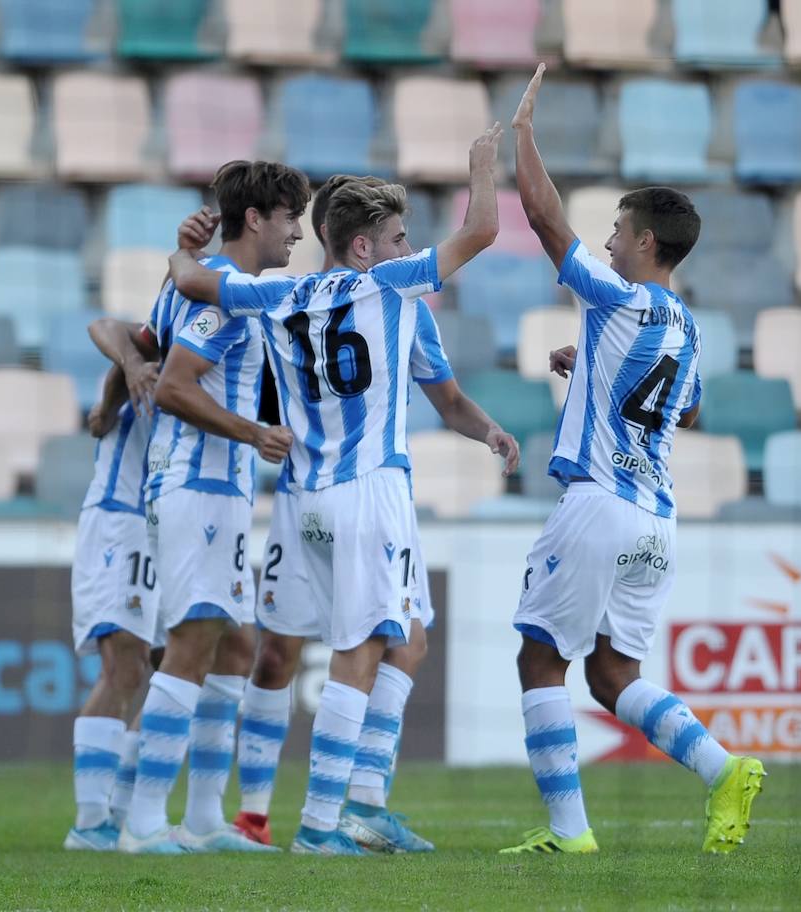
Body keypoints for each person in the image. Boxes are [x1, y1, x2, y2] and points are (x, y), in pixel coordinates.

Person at [168, 123, 510, 855]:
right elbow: (483, 229)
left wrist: (183, 247)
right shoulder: (386, 287)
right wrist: (482, 166)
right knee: (366, 645)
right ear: (363, 246)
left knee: (389, 637)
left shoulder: (277, 293)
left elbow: (193, 280)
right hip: (367, 489)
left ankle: (331, 808)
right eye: (396, 237)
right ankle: (326, 824)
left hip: (300, 493)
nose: (405, 249)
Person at [501, 64, 764, 856]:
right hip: (657, 518)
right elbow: (682, 409)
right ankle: (723, 770)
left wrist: (521, 139)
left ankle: (568, 834)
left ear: (647, 242)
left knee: (540, 657)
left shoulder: (616, 296)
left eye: (617, 231)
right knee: (612, 675)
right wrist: (590, 368)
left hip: (599, 505)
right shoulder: (687, 325)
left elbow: (547, 223)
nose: (609, 241)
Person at [117, 160, 309, 855]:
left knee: (233, 642)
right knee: (197, 637)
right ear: (256, 219)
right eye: (290, 218)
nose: (297, 232)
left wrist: (181, 255)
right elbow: (172, 385)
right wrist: (253, 432)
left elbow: (142, 339)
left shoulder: (197, 282)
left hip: (214, 490)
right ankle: (140, 820)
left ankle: (201, 819)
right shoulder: (224, 294)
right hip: (195, 486)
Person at [63, 361, 158, 852]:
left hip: (164, 522)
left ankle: (119, 810)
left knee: (162, 671)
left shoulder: (215, 344)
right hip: (119, 519)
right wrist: (108, 399)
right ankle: (90, 821)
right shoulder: (152, 340)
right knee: (123, 666)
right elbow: (110, 335)